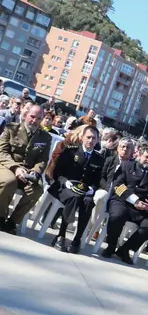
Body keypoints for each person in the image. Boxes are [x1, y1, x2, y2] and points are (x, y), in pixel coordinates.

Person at [102, 145, 148, 264]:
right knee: (117, 216)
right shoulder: (126, 165)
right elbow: (117, 185)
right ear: (139, 155)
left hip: (143, 208)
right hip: (123, 201)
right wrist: (134, 201)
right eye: (146, 157)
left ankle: (124, 250)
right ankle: (111, 246)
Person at [47, 125, 105, 253]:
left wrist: (93, 189)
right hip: (64, 187)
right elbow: (58, 172)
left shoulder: (99, 159)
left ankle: (77, 239)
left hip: (84, 190)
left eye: (94, 138)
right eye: (88, 137)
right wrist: (65, 182)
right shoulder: (71, 151)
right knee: (74, 197)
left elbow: (98, 179)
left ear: (97, 140)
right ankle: (61, 235)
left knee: (89, 202)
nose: (90, 140)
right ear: (82, 137)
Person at [0, 105, 51, 235]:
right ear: (26, 115)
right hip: (8, 166)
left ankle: (13, 221)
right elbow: (2, 152)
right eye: (32, 117)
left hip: (29, 171)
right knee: (8, 182)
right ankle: (1, 217)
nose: (34, 121)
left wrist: (35, 171)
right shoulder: (11, 128)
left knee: (37, 189)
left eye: (38, 118)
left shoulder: (45, 137)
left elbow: (43, 160)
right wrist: (16, 168)